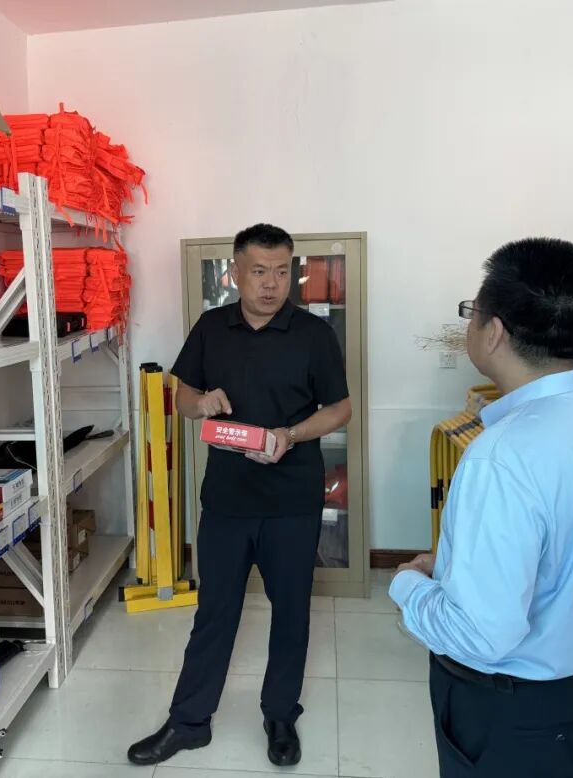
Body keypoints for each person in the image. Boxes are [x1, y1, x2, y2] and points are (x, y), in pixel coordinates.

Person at [390, 237, 573, 778]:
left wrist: (407, 586)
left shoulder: (502, 456)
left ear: (494, 331)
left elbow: (481, 635)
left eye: (472, 312)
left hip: (517, 716)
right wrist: (451, 570)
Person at [128, 224, 352, 768]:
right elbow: (182, 396)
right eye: (259, 272)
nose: (272, 284)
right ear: (235, 272)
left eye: (282, 272)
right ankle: (189, 722)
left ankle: (280, 715)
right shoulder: (212, 327)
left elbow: (340, 409)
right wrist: (199, 403)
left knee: (291, 612)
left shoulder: (313, 334)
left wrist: (290, 435)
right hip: (227, 501)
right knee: (215, 611)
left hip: (293, 501)